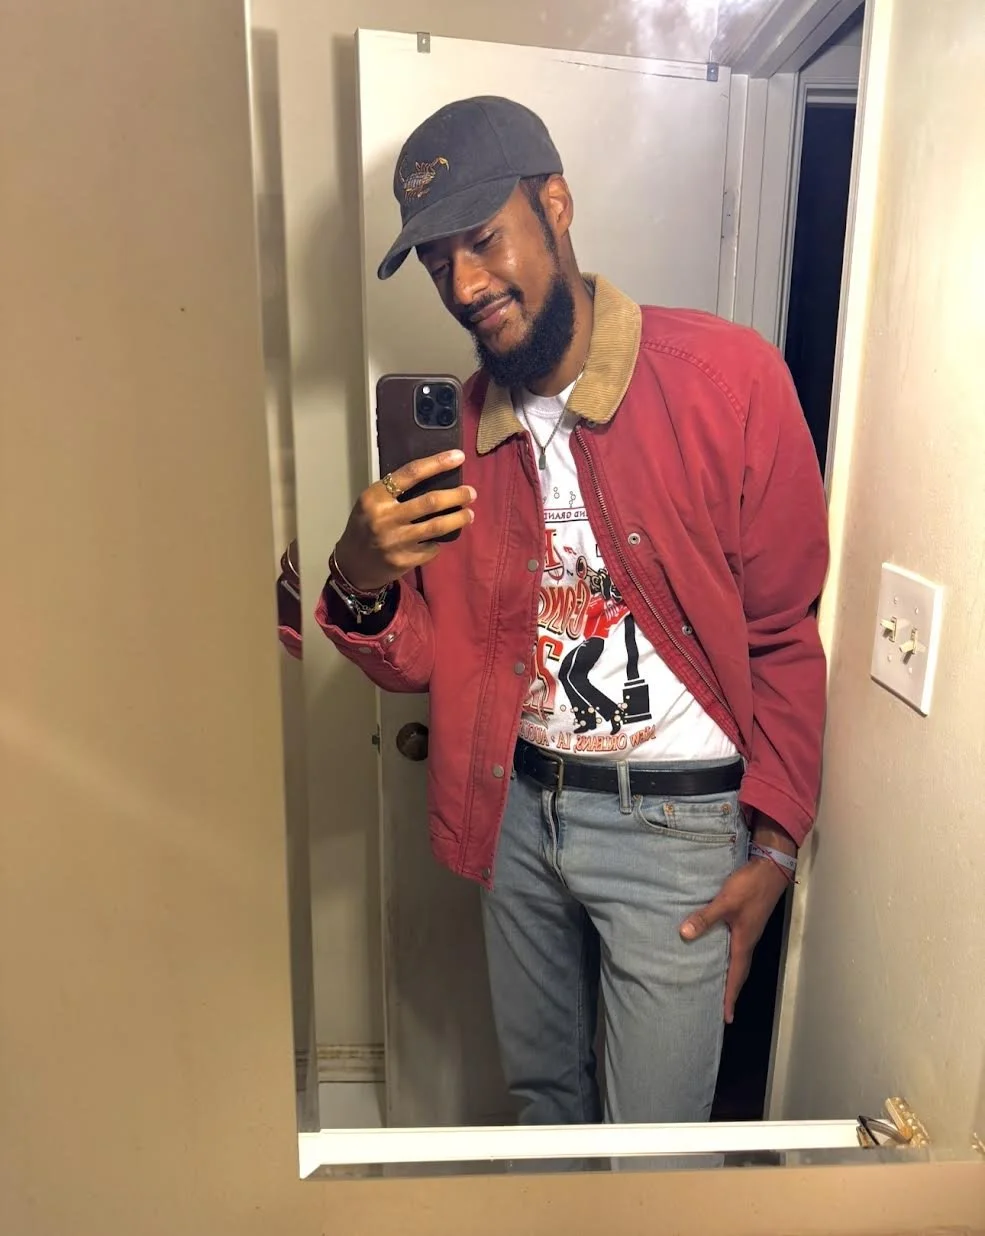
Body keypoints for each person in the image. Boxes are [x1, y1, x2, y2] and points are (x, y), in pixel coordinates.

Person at [316, 96, 828, 1126]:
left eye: (482, 240)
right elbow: (432, 658)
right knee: (542, 1104)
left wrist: (775, 848)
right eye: (438, 265)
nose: (464, 286)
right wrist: (357, 574)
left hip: (675, 821)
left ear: (555, 203)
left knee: (654, 1142)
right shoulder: (461, 430)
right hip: (512, 806)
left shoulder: (726, 379)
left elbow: (781, 631)